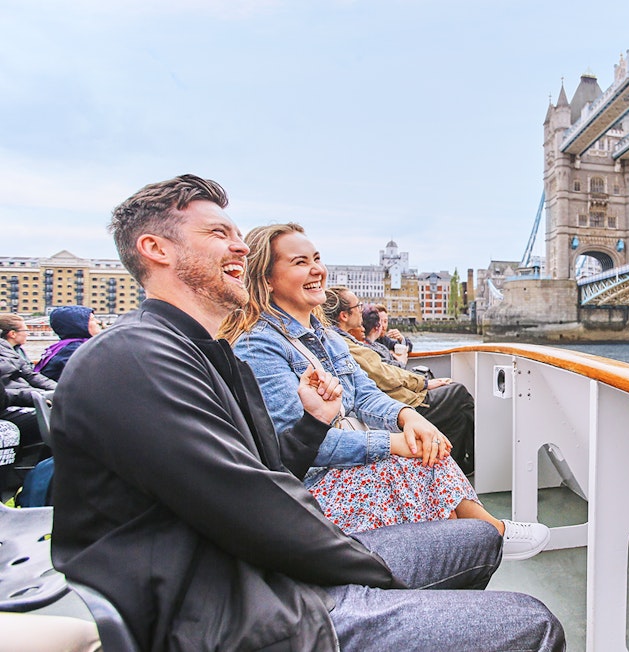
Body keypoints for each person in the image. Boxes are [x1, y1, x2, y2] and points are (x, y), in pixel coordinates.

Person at [49, 175, 564, 652]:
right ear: (155, 249)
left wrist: (314, 421)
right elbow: (251, 507)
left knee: (477, 540)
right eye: (218, 232)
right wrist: (369, 569)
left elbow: (274, 467)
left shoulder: (207, 353)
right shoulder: (133, 360)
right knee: (534, 622)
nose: (237, 245)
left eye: (238, 235)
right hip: (233, 609)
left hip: (265, 569)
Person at [221, 224, 544, 555]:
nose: (317, 269)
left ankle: (476, 540)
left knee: (425, 449)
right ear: (267, 279)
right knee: (407, 460)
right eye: (300, 262)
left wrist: (408, 417)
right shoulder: (258, 346)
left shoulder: (327, 337)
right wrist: (393, 442)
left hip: (339, 466)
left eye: (316, 258)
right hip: (307, 489)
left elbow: (364, 394)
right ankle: (481, 539)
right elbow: (294, 446)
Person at [324, 287, 475, 474]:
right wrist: (424, 384)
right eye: (358, 306)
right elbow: (382, 374)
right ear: (344, 316)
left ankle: (454, 466)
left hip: (394, 401)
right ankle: (474, 462)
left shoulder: (341, 341)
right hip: (400, 403)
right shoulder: (344, 344)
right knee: (458, 392)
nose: (361, 310)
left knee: (458, 415)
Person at [0, 313, 54, 478]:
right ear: (12, 333)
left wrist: (58, 391)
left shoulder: (11, 350)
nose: (28, 333)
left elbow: (31, 375)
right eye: (25, 330)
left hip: (16, 399)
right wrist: (37, 397)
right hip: (11, 405)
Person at [35, 305, 102, 381]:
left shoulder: (62, 347)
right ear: (79, 325)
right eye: (92, 319)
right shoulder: (75, 350)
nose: (98, 322)